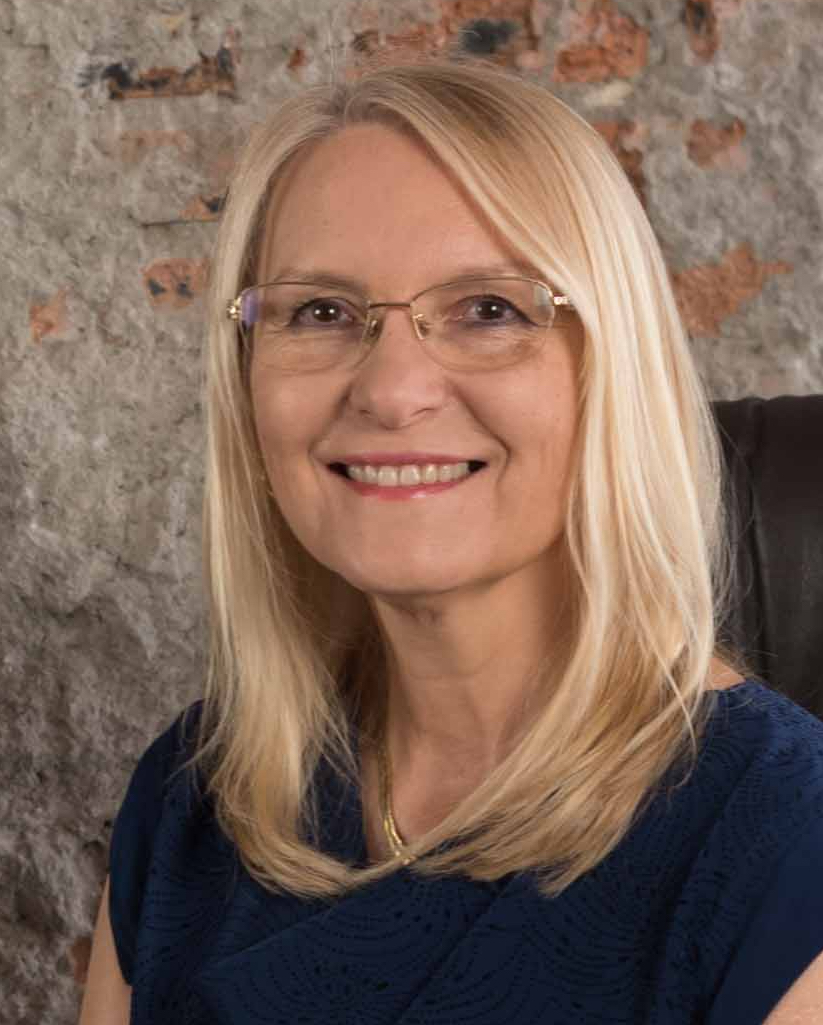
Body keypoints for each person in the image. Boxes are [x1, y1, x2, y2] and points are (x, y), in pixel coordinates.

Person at [79, 55, 823, 1024]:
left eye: (487, 310)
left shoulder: (786, 846)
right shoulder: (195, 797)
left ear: (612, 370)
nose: (392, 391)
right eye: (320, 312)